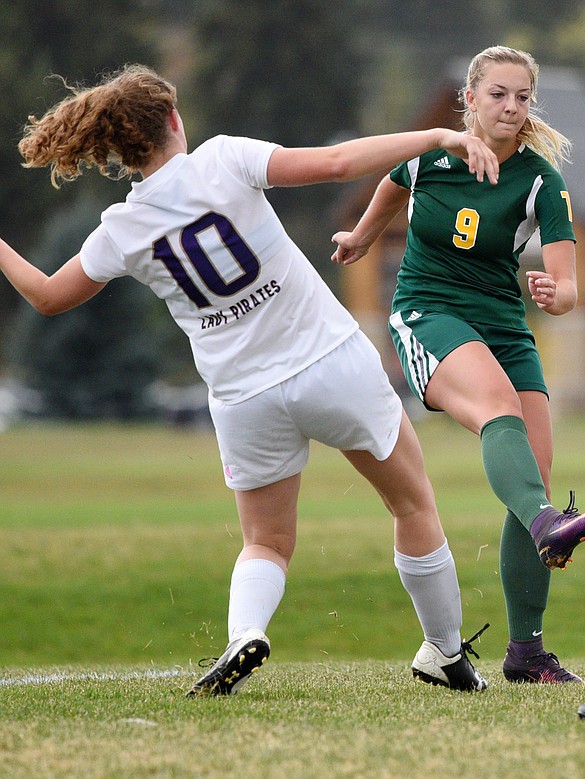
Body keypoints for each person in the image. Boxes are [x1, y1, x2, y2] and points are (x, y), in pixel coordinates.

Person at [0, 64, 501, 696]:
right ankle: (445, 653)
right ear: (175, 120)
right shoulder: (223, 160)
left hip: (243, 398)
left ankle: (245, 634)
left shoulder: (122, 229)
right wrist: (435, 136)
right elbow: (341, 162)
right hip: (330, 362)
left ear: (118, 150)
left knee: (265, 541)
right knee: (411, 503)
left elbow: (47, 296)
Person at [331, 45, 585, 684]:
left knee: (534, 476)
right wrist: (364, 237)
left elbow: (568, 285)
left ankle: (527, 653)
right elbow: (388, 185)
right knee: (500, 410)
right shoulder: (431, 155)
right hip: (428, 313)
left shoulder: (542, 179)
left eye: (521, 97)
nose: (511, 107)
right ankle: (550, 525)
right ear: (470, 99)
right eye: (498, 94)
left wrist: (557, 294)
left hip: (503, 326)